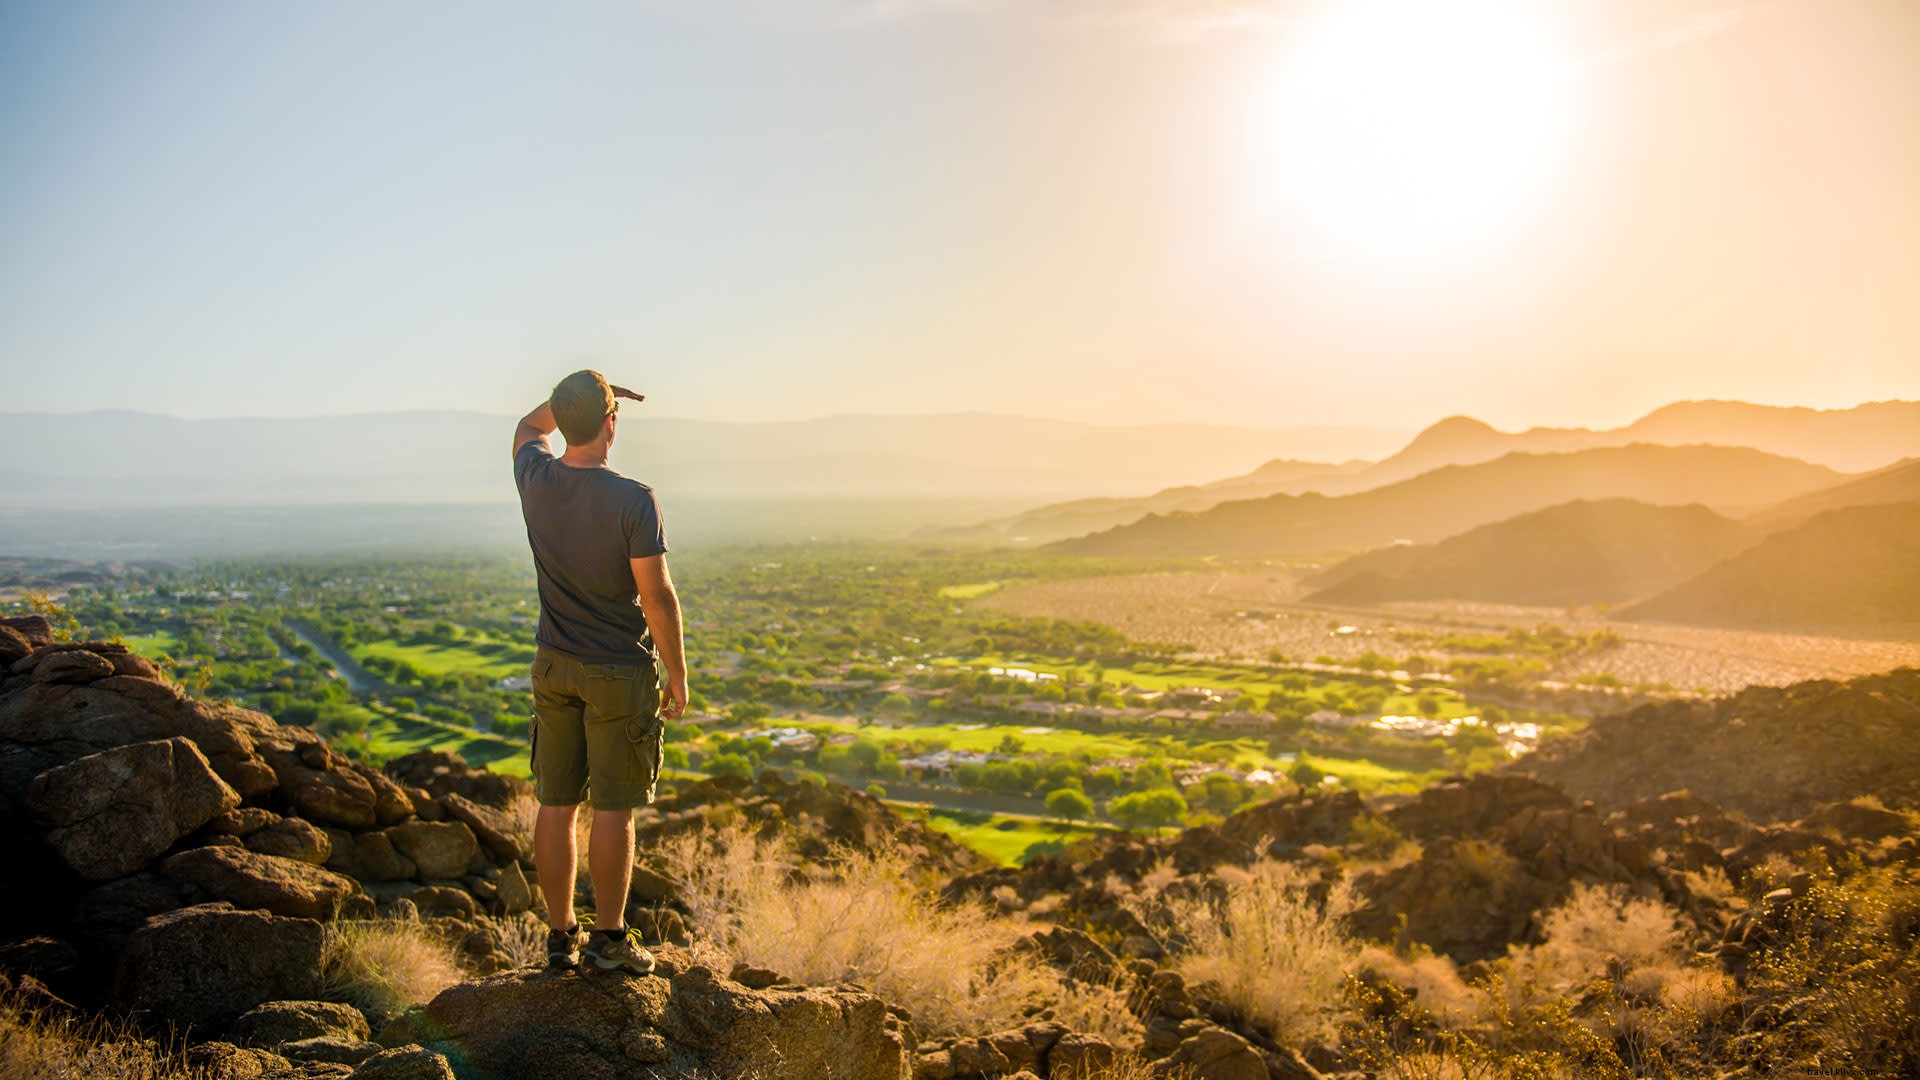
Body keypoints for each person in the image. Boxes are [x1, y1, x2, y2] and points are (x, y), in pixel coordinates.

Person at [511, 370, 688, 976]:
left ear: (566, 421)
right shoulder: (633, 499)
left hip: (554, 664)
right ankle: (610, 941)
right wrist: (678, 671)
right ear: (612, 423)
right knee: (614, 806)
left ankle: (561, 939)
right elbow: (656, 596)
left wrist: (575, 402)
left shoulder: (535, 478)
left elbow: (529, 427)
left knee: (556, 803)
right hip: (618, 669)